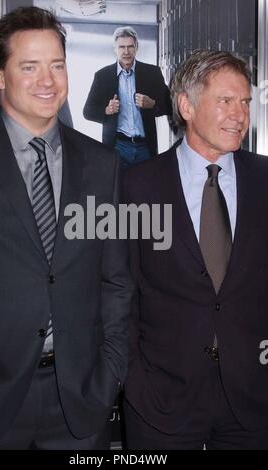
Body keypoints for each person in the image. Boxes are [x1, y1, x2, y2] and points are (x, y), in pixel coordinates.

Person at [0, 6, 132, 450]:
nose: (48, 80)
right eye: (30, 67)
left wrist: (108, 374)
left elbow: (116, 280)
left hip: (80, 402)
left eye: (57, 65)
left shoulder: (103, 165)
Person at [123, 50, 268, 450]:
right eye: (225, 101)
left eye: (245, 103)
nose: (239, 114)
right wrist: (134, 379)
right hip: (161, 401)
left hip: (253, 402)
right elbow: (120, 292)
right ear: (186, 105)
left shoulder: (265, 180)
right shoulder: (137, 187)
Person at [83, 26, 171, 169]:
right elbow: (88, 112)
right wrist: (106, 110)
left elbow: (171, 105)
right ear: (115, 49)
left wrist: (153, 104)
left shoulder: (152, 73)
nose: (126, 52)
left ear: (136, 47)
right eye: (122, 47)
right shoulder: (102, 75)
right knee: (119, 190)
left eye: (130, 47)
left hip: (145, 147)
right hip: (117, 146)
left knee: (145, 190)